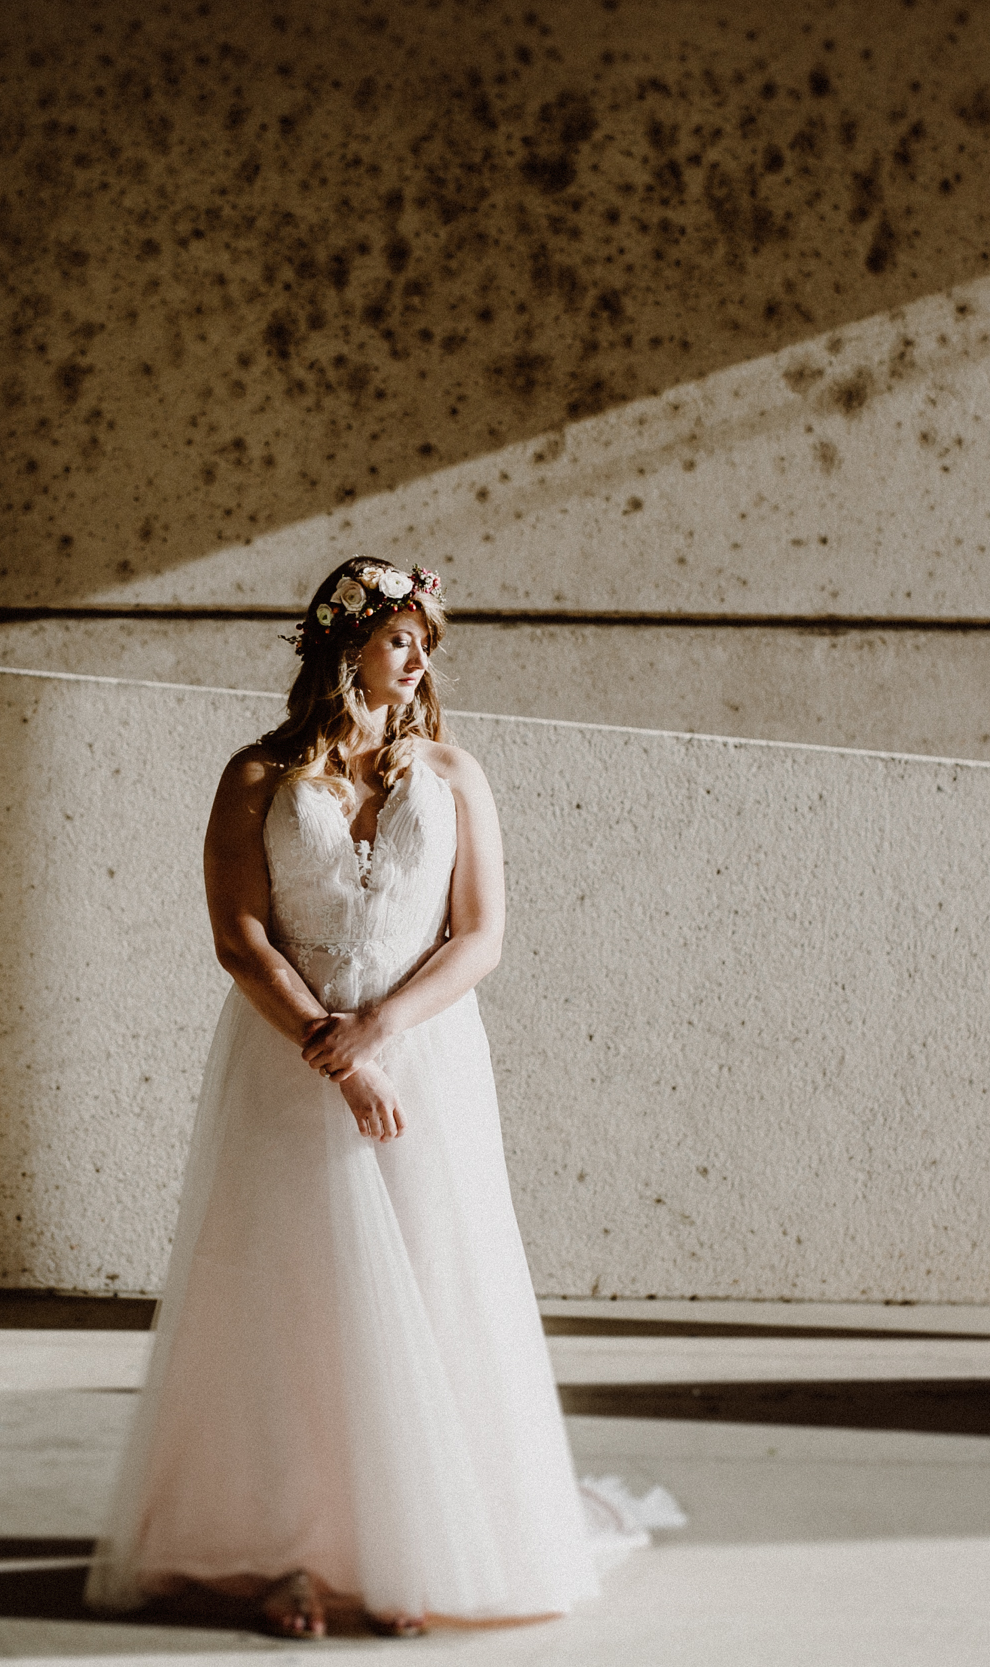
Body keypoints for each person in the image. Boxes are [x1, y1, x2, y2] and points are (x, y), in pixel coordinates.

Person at [85, 557, 636, 1638]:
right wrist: (331, 1051)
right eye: (400, 638)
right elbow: (239, 936)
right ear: (346, 648)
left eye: (426, 639)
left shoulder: (455, 771)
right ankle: (287, 1555)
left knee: (435, 1281)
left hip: (425, 1063)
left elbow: (479, 933)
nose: (420, 658)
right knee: (293, 1301)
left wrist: (379, 1033)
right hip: (287, 1070)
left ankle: (419, 1546)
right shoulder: (256, 774)